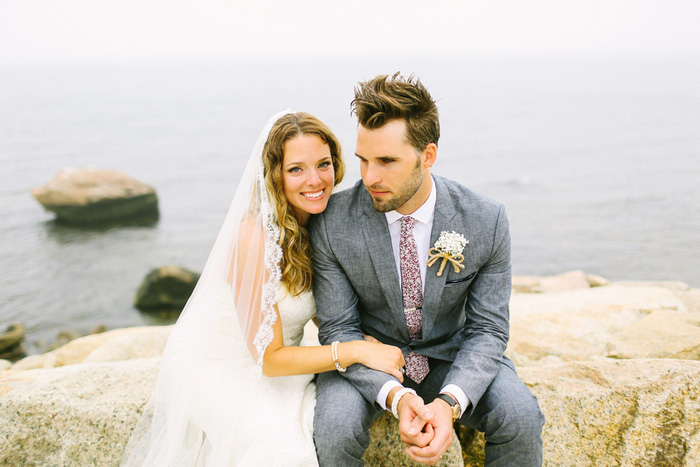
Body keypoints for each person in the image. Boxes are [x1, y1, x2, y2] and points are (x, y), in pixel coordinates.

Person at [120, 111, 405, 466]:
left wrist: (366, 338)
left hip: (285, 359)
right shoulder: (253, 236)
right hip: (227, 368)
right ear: (275, 174)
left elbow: (321, 307)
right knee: (283, 453)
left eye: (323, 164)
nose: (315, 180)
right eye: (296, 169)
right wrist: (355, 351)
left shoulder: (319, 220)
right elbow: (268, 360)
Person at [310, 74, 545, 466]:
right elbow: (338, 329)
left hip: (452, 356)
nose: (369, 177)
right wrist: (396, 396)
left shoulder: (486, 219)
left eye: (386, 161)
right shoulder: (332, 222)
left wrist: (450, 402)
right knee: (334, 428)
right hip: (367, 358)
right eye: (363, 160)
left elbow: (488, 329)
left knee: (520, 415)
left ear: (428, 155)